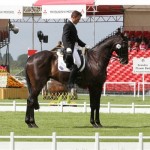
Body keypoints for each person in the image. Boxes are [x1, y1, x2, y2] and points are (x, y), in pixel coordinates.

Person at [62, 10, 90, 89]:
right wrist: (67, 47)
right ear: (73, 17)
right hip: (70, 48)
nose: (79, 21)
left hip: (75, 47)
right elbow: (64, 38)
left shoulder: (73, 26)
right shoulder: (67, 25)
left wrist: (85, 45)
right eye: (78, 19)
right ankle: (70, 83)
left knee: (79, 63)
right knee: (77, 63)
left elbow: (77, 39)